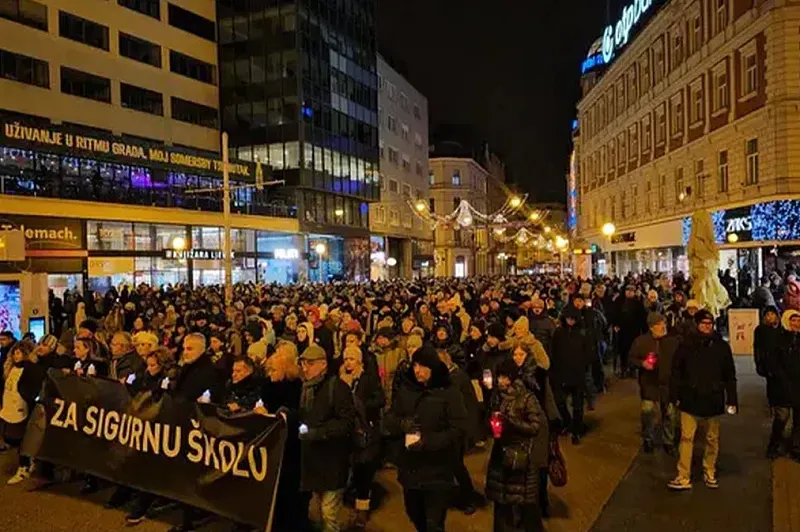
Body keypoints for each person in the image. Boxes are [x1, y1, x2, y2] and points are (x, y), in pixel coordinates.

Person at [384, 344, 468, 532]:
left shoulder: (449, 392)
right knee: (415, 513)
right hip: (411, 468)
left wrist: (428, 442)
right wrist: (402, 424)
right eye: (415, 366)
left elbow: (458, 428)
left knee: (434, 523)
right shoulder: (407, 389)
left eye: (423, 366)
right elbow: (390, 417)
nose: (418, 371)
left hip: (438, 469)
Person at [668, 309, 738, 491]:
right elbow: (676, 372)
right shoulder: (686, 345)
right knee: (686, 437)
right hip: (690, 399)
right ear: (696, 325)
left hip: (713, 399)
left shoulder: (721, 347)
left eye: (710, 324)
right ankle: (683, 475)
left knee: (712, 438)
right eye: (703, 324)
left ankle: (710, 470)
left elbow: (730, 374)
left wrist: (732, 398)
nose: (707, 327)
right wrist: (675, 395)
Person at [298, 344, 356, 532]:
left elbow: (346, 423)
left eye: (310, 363)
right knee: (320, 511)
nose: (305, 368)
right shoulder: (306, 388)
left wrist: (319, 432)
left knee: (328, 512)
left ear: (323, 364)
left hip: (333, 460)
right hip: (315, 461)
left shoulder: (337, 388)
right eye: (303, 363)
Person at [485, 359, 547, 532]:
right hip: (500, 454)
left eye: (504, 377)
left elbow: (535, 427)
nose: (500, 381)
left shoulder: (526, 398)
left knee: (525, 503)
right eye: (499, 377)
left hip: (520, 457)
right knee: (501, 502)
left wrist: (511, 422)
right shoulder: (496, 396)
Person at [339, 346, 385, 528]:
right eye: (346, 359)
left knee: (363, 470)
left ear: (359, 361)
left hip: (366, 431)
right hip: (347, 431)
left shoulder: (368, 379)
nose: (348, 362)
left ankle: (362, 509)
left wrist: (363, 405)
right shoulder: (341, 380)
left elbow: (380, 399)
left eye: (351, 359)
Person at [437, 347, 481, 515]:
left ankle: (467, 497)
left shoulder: (456, 379)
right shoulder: (453, 376)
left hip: (461, 429)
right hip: (457, 428)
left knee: (456, 464)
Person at [629, 313, 680, 454]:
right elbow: (631, 359)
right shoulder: (641, 342)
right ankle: (648, 439)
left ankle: (668, 441)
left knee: (669, 414)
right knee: (648, 412)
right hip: (649, 383)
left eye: (664, 323)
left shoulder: (672, 341)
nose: (663, 326)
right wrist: (642, 363)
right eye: (659, 324)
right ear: (651, 327)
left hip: (668, 384)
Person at [1, 341, 44, 485]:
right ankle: (27, 462)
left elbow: (31, 389)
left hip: (22, 407)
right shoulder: (11, 368)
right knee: (12, 437)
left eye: (18, 353)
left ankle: (24, 466)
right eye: (14, 352)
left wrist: (26, 397)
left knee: (22, 439)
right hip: (9, 406)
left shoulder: (30, 369)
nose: (15, 355)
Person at [550, 306, 591, 444]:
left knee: (578, 405)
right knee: (560, 401)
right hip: (562, 373)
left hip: (577, 374)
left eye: (573, 318)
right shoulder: (559, 333)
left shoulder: (582, 333)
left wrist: (583, 367)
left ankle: (576, 430)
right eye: (568, 318)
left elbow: (587, 353)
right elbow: (553, 352)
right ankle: (568, 422)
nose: (570, 321)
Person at [767, 310, 800, 462]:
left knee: (798, 420)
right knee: (782, 417)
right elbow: (773, 363)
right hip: (782, 386)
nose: (796, 324)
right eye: (793, 320)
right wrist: (781, 379)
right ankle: (774, 445)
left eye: (798, 321)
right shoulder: (778, 338)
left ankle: (795, 448)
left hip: (797, 384)